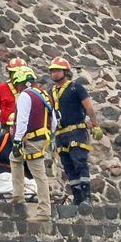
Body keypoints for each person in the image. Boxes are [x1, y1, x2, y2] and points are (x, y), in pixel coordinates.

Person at [48, 56, 101, 206]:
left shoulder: (75, 87)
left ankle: (86, 196)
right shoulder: (51, 91)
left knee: (79, 162)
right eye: (52, 71)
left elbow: (88, 107)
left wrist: (95, 125)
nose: (54, 73)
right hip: (60, 133)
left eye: (57, 70)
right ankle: (77, 197)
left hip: (76, 131)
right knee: (68, 165)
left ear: (65, 71)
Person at [11, 66, 57, 222]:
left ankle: (44, 212)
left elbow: (22, 120)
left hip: (31, 139)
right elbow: (54, 121)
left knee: (39, 174)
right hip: (42, 137)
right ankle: (17, 196)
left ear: (21, 83)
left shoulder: (25, 95)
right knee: (15, 159)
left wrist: (17, 141)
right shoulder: (44, 95)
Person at [0, 57, 27, 133]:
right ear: (10, 73)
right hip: (7, 129)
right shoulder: (0, 88)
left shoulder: (30, 89)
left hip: (27, 129)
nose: (17, 76)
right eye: (14, 73)